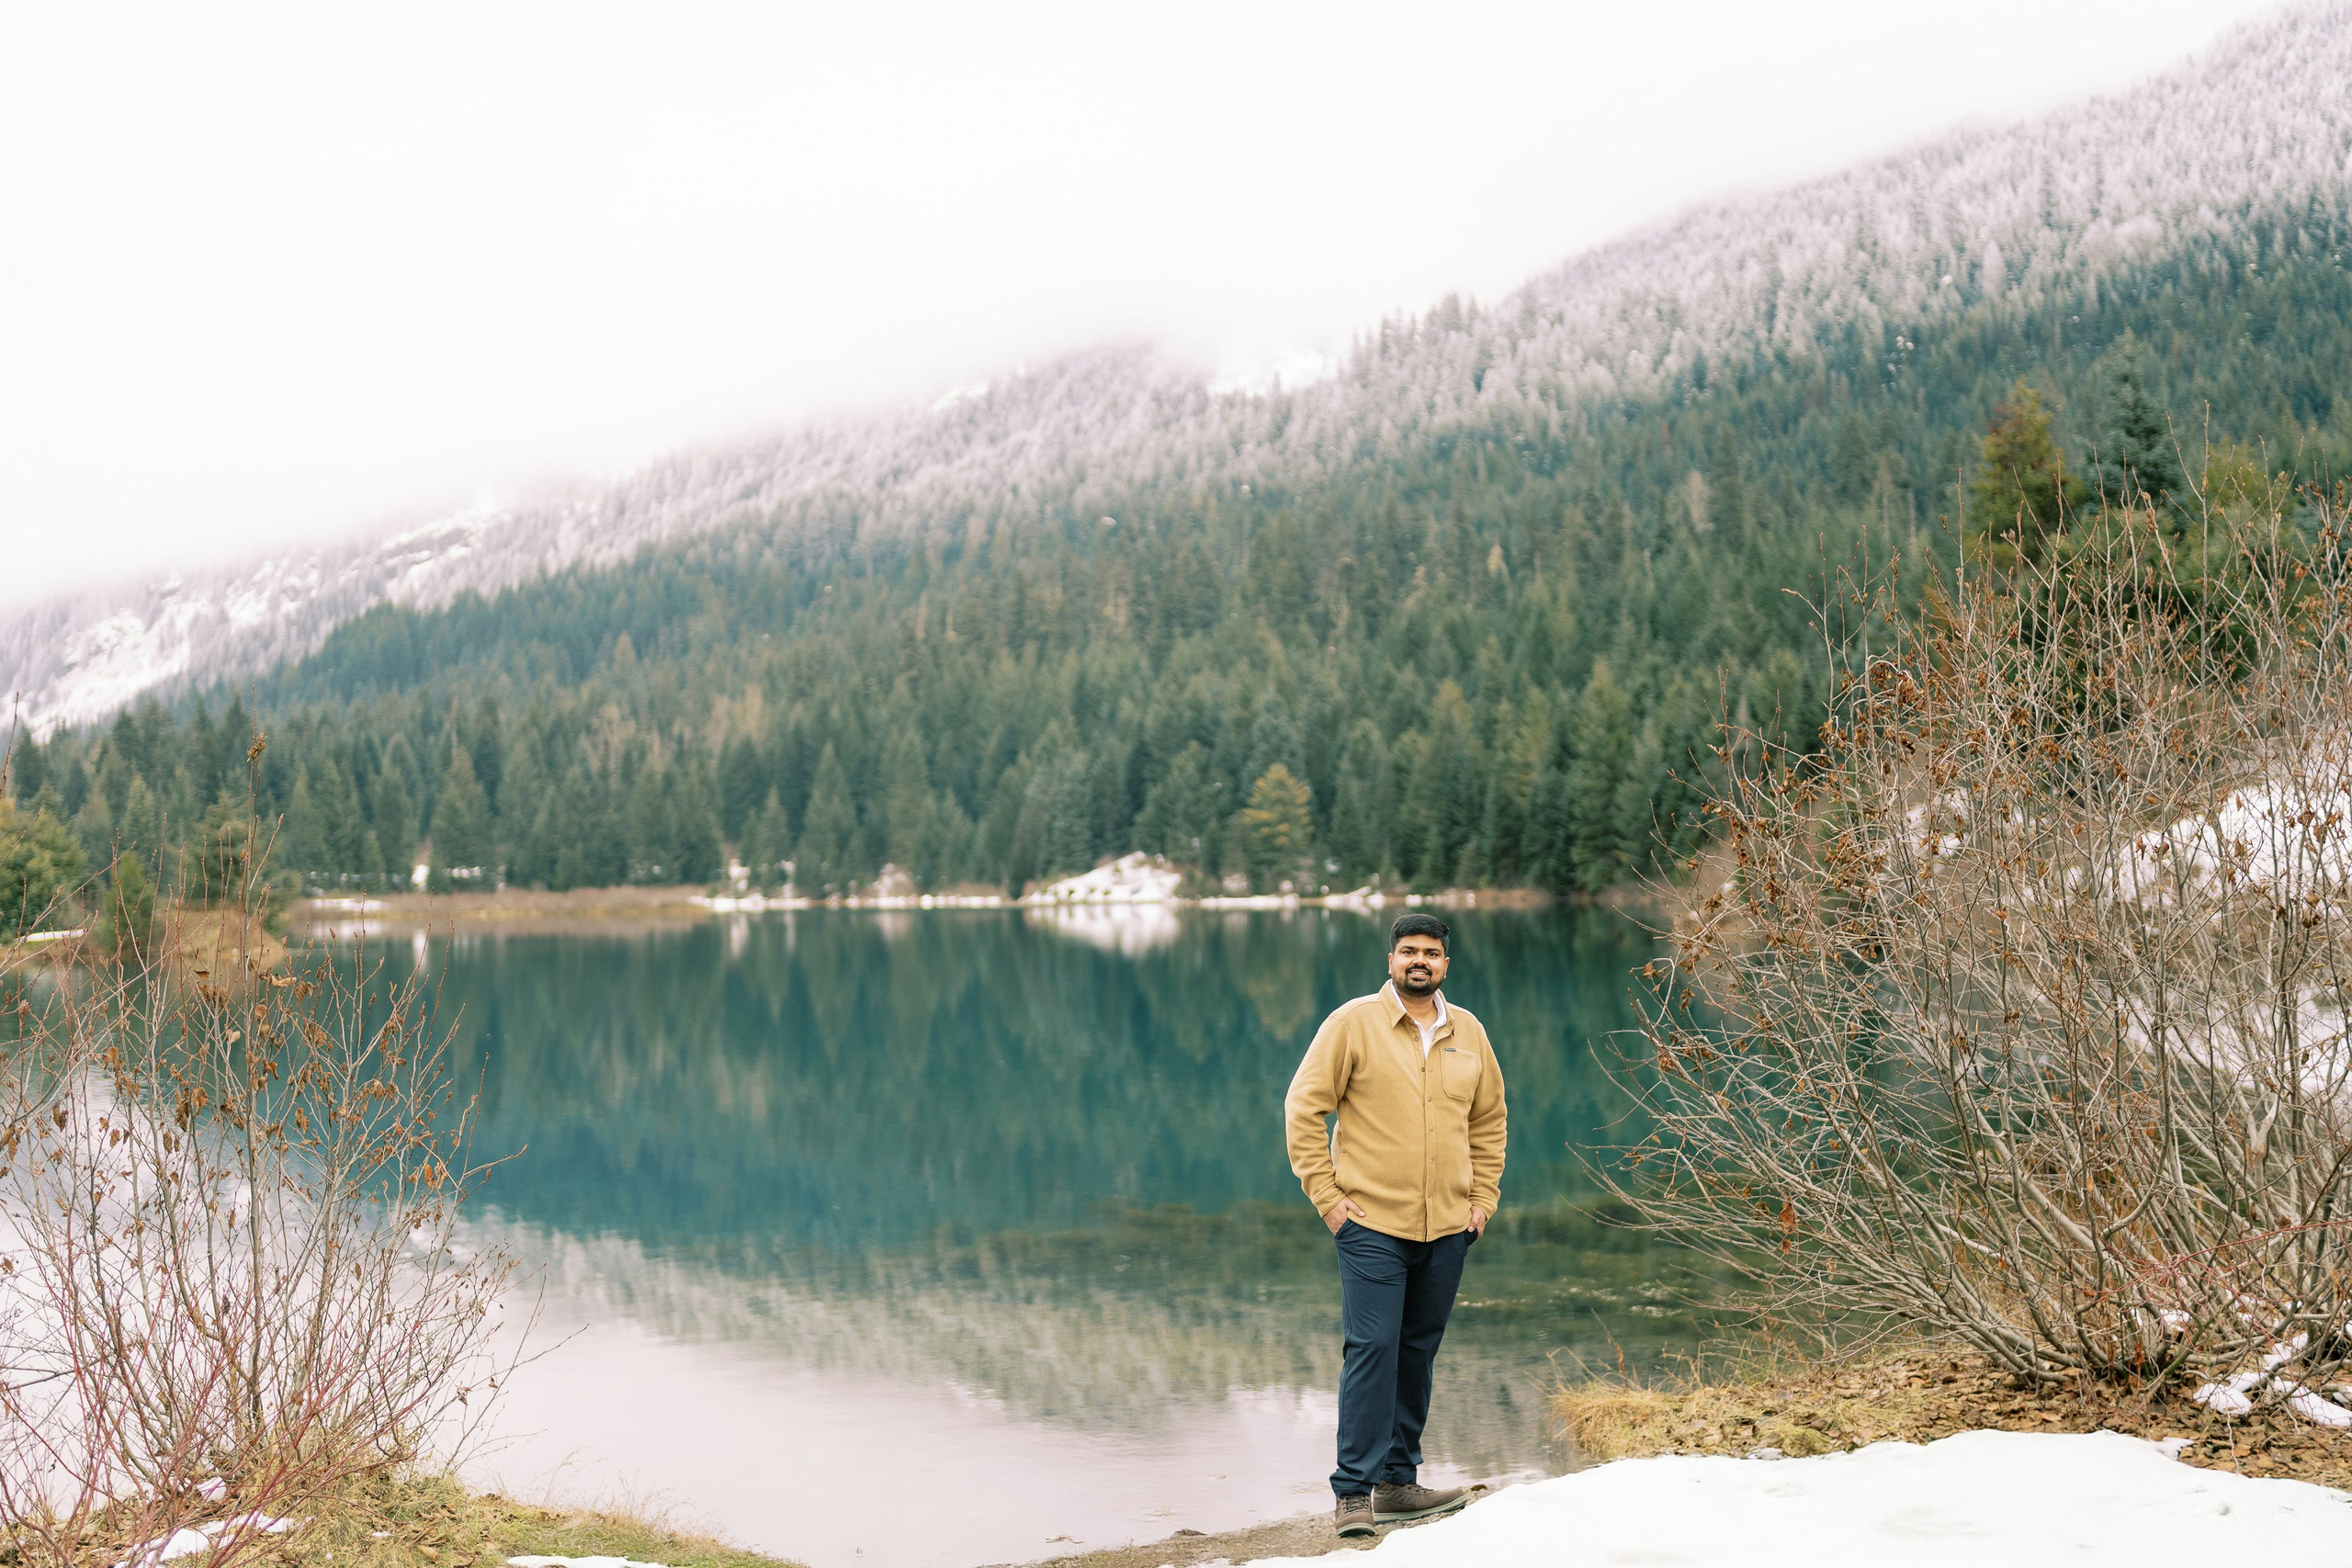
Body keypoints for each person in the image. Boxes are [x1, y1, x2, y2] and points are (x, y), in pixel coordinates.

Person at [1283, 911, 1507, 1540]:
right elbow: (1304, 1108)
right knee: (1373, 1348)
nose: (1419, 961)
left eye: (1431, 953)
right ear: (1391, 960)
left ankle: (1398, 1483)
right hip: (1371, 1223)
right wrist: (1327, 1197)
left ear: (1445, 964)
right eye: (1409, 950)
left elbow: (1489, 1120)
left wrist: (1482, 1198)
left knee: (1416, 1351)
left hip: (1449, 1227)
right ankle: (1354, 1492)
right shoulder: (1352, 1023)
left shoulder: (1469, 1032)